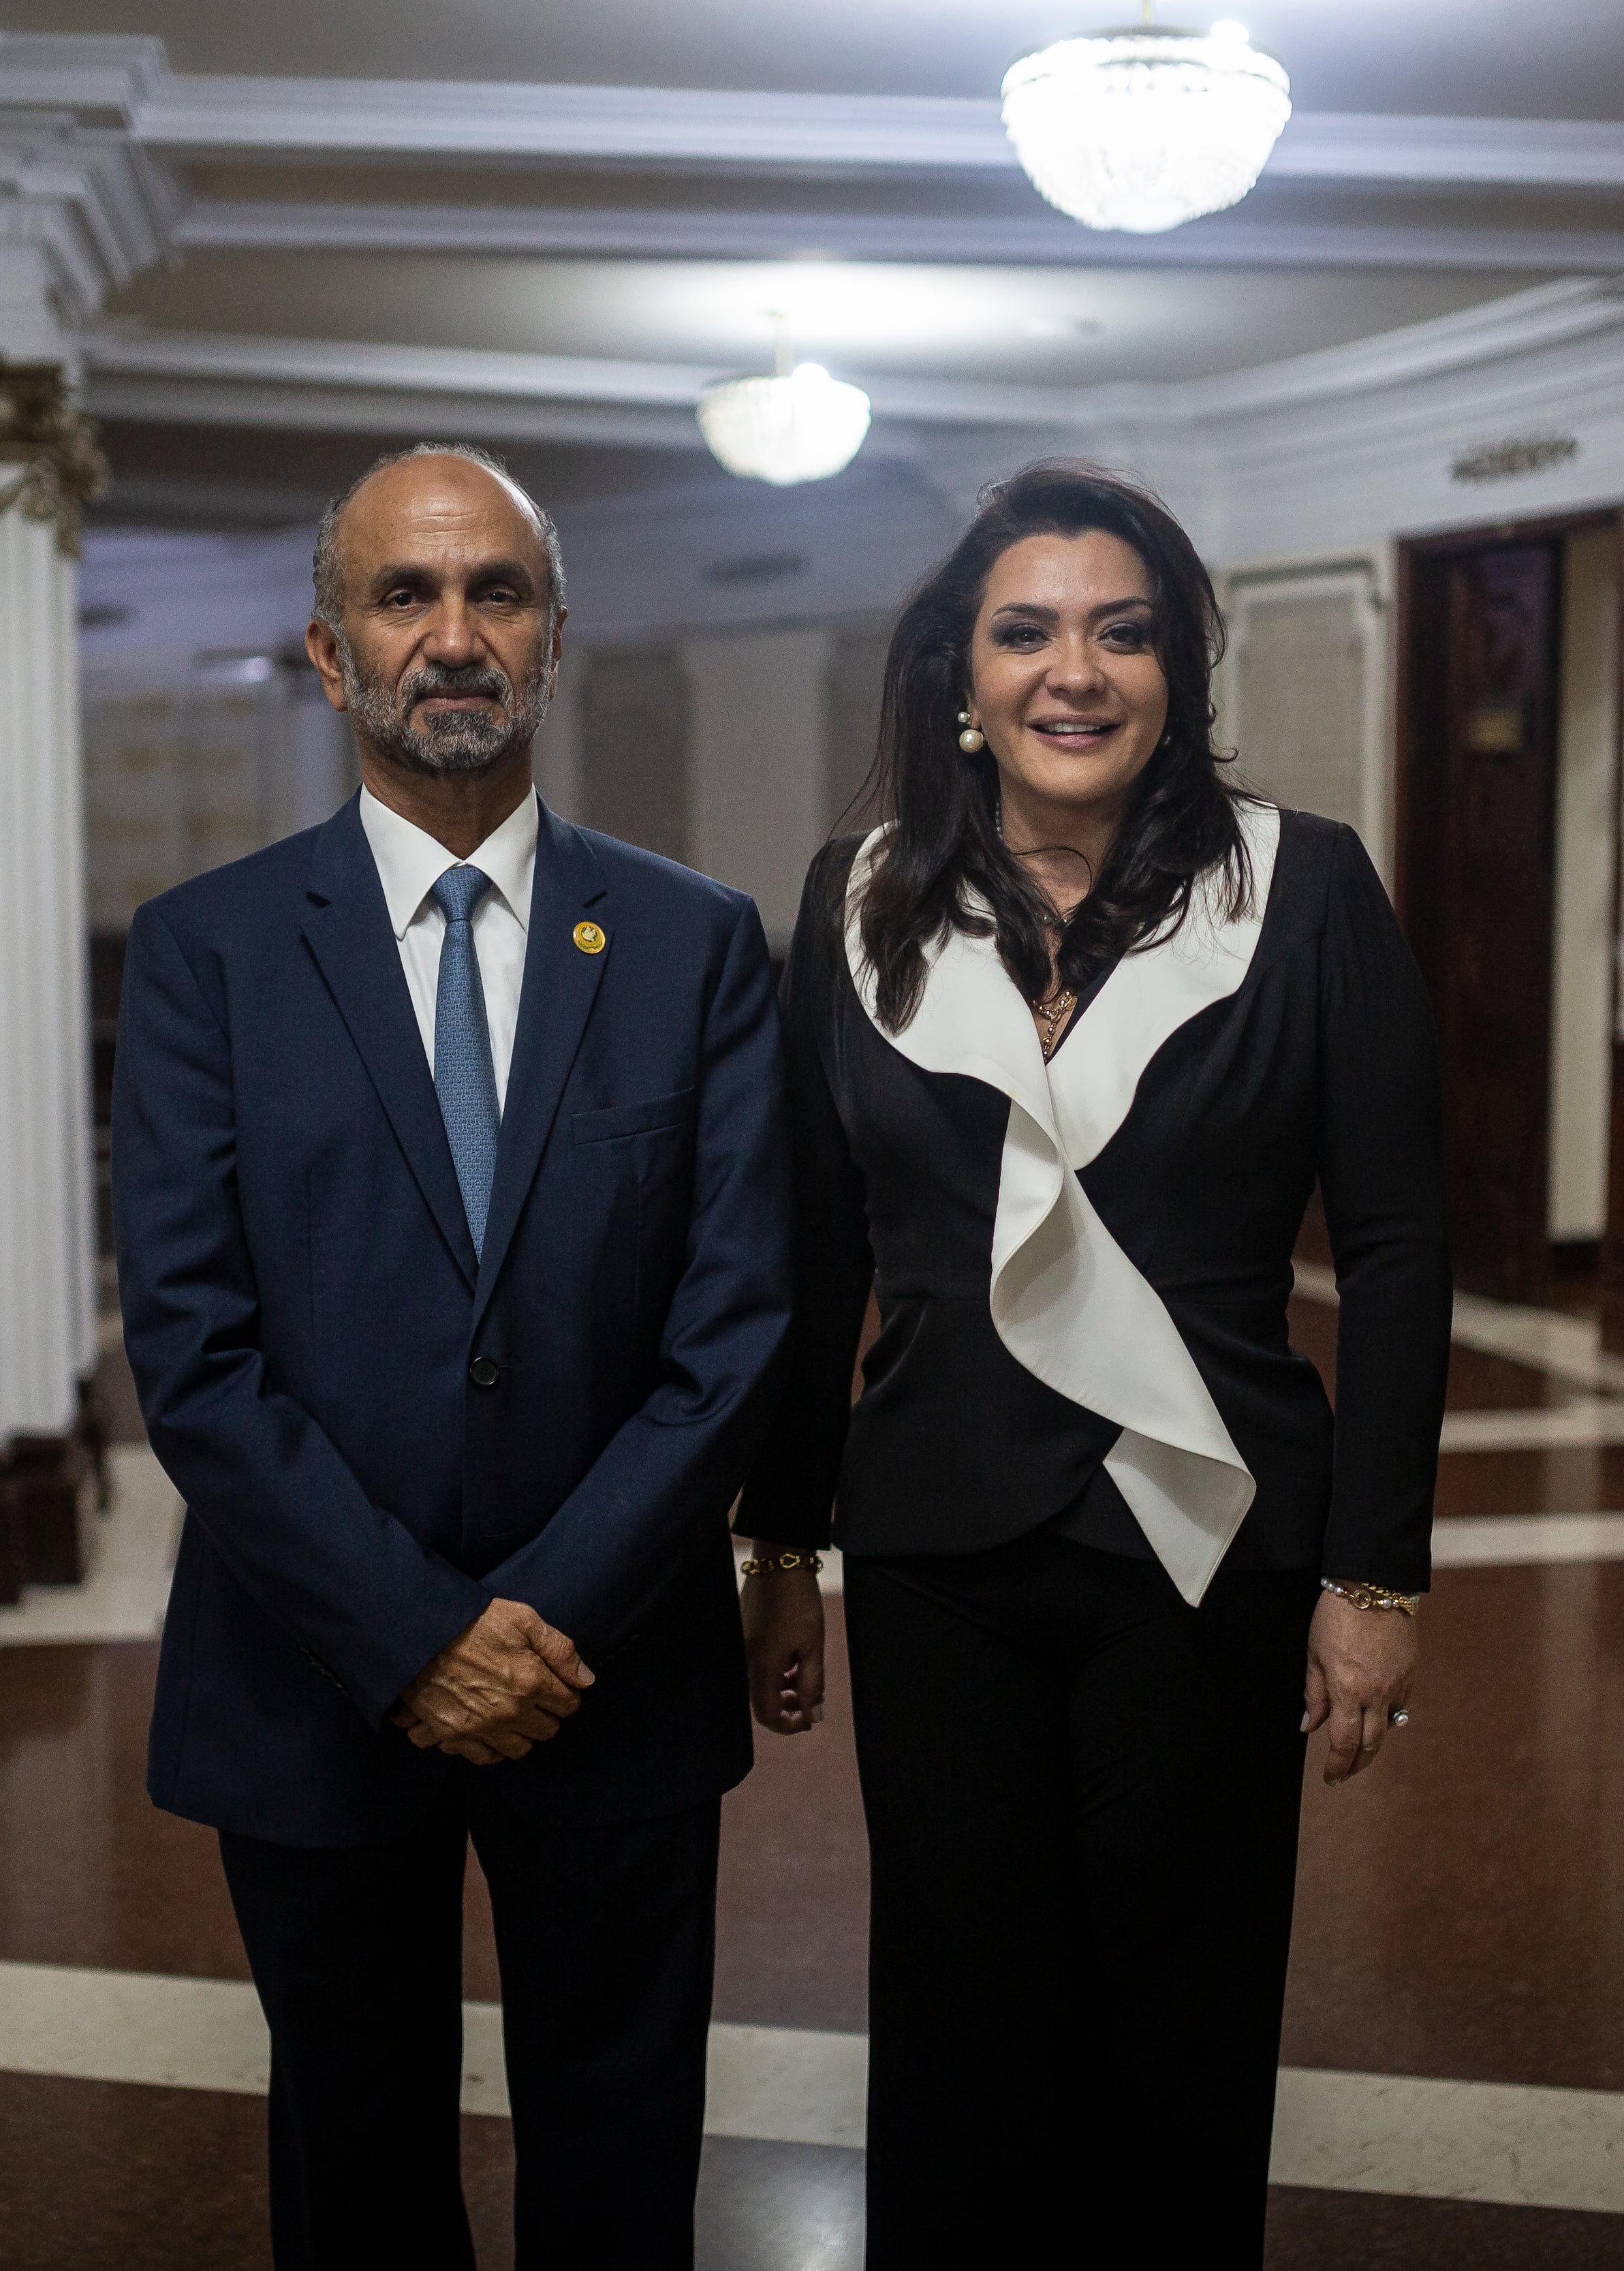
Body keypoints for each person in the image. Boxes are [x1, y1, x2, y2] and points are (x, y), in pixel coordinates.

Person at [735, 461, 1450, 2266]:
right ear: (959, 681)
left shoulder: (1304, 891)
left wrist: (1377, 1573)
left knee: (1187, 2020)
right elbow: (815, 1253)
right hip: (938, 1543)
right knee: (965, 2023)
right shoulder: (853, 902)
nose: (1078, 670)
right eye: (1029, 631)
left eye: (1123, 632)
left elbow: (1396, 1248)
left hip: (1205, 1533)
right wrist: (782, 1544)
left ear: (1177, 667)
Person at [113, 442, 792, 2271]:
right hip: (315, 1679)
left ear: (553, 638)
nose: (456, 633)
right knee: (356, 2158)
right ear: (333, 656)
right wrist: (415, 1636)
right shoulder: (208, 960)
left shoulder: (697, 946)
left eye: (497, 591)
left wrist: (538, 1629)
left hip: (613, 1671)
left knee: (624, 2148)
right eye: (405, 596)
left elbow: (736, 1326)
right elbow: (192, 1347)